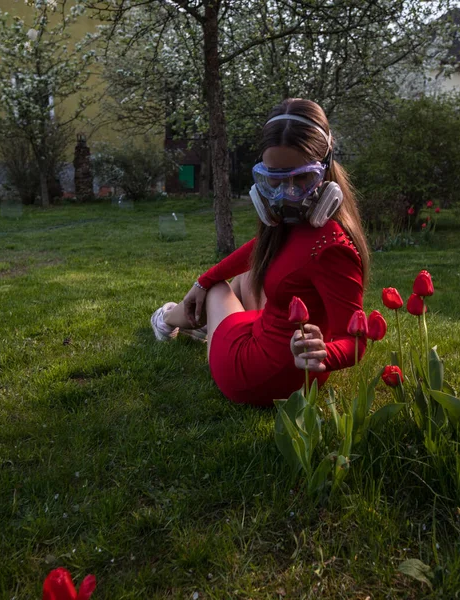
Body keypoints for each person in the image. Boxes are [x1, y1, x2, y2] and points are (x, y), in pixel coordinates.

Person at [151, 98, 370, 407]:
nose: (286, 194)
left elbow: (357, 341)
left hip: (255, 378)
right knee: (244, 276)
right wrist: (201, 280)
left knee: (218, 289)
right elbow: (261, 249)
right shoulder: (302, 225)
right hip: (298, 378)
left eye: (301, 177)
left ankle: (166, 320)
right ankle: (199, 324)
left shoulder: (332, 248)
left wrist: (324, 353)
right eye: (275, 178)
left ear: (325, 169)